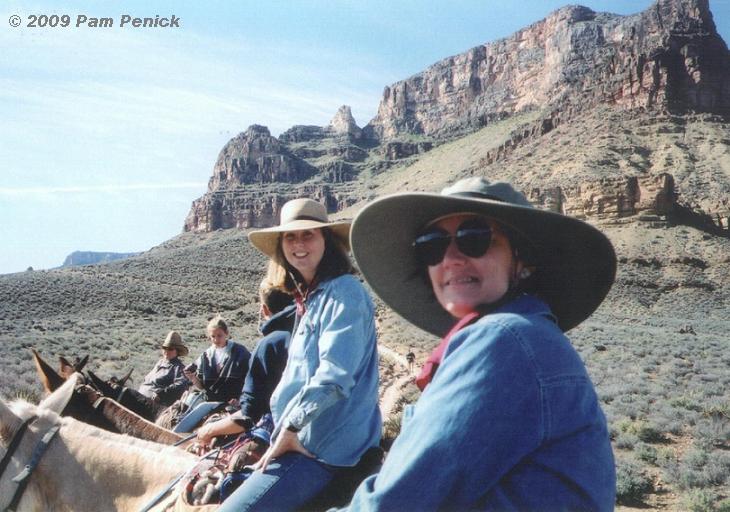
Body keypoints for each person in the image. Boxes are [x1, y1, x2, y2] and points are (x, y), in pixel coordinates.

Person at [345, 177, 617, 510]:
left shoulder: (504, 340)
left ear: (523, 261)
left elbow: (396, 503)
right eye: (432, 244)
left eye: (474, 238)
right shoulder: (528, 332)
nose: (451, 258)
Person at [218, 198, 382, 512]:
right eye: (290, 237)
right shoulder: (312, 298)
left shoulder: (344, 292)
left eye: (308, 234)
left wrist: (290, 429)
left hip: (323, 445)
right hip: (303, 434)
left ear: (327, 241)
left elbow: (334, 376)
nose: (299, 244)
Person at [196, 281, 296, 446]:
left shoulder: (268, 345)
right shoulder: (314, 331)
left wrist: (208, 430)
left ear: (264, 309)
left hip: (280, 430)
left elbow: (249, 415)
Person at [176, 315, 251, 432]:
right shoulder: (205, 356)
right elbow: (202, 386)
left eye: (219, 336)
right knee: (182, 424)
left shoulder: (240, 352)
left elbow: (251, 380)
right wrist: (193, 379)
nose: (216, 340)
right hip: (209, 403)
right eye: (213, 337)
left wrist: (240, 399)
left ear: (227, 333)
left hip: (233, 403)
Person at [137, 330, 190, 406]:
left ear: (177, 351)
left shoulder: (179, 368)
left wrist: (161, 393)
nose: (166, 351)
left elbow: (181, 385)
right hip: (140, 397)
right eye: (164, 348)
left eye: (170, 349)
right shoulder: (160, 362)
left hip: (152, 405)